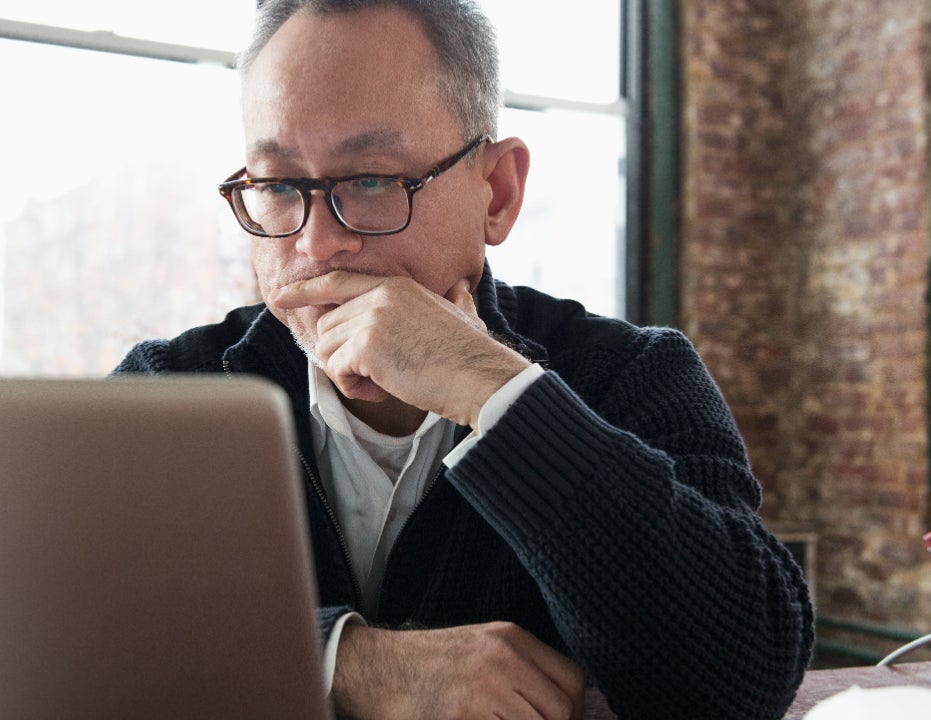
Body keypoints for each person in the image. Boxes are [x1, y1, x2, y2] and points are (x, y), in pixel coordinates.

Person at [114, 0, 814, 717]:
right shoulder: (171, 390)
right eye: (279, 186)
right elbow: (71, 633)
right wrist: (348, 661)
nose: (318, 245)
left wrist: (500, 395)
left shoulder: (632, 377)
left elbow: (744, 678)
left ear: (498, 193)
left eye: (374, 180)